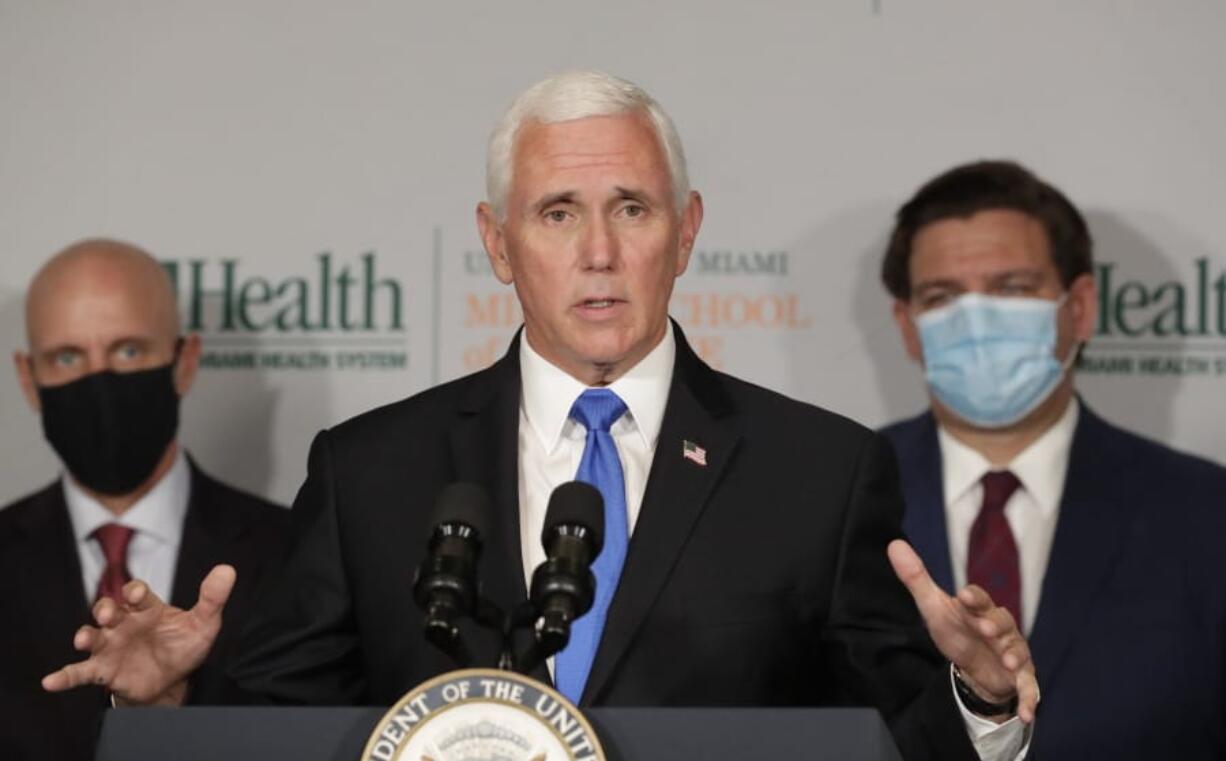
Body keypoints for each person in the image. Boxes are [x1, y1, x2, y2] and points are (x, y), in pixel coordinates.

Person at [43, 74, 1037, 761]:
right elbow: (272, 733)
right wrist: (165, 702)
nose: (597, 250)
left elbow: (899, 740)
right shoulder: (371, 469)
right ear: (497, 242)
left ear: (685, 231)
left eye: (632, 208)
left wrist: (980, 700)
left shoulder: (816, 470)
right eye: (556, 211)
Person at [879, 160, 1226, 760]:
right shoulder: (832, 498)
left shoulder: (1207, 515)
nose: (978, 321)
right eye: (943, 297)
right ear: (908, 327)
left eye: (1012, 288)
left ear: (1081, 307)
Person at [0, 240, 289, 761]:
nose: (100, 380)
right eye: (68, 357)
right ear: (28, 379)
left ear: (185, 361)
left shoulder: (296, 553)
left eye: (128, 351)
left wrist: (164, 712)